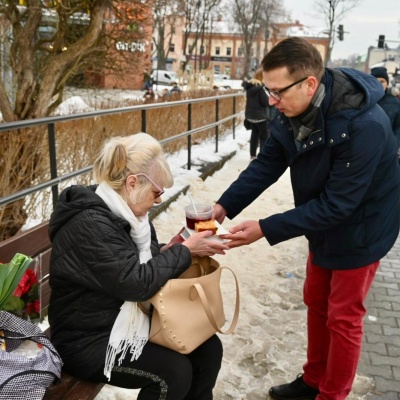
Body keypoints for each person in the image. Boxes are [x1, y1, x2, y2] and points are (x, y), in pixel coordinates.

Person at [213, 37, 400, 400]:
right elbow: (267, 163)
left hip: (362, 227)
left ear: (309, 84)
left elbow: (339, 205)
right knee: (316, 300)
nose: (271, 100)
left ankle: (331, 395)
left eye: (277, 91)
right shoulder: (289, 110)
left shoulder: (365, 125)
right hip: (323, 219)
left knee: (343, 317)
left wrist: (265, 228)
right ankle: (314, 379)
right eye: (267, 90)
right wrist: (223, 206)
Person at [48, 133, 229, 399]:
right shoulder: (90, 224)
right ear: (132, 183)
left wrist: (175, 248)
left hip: (126, 321)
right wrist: (183, 253)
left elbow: (140, 263)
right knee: (174, 373)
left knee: (209, 349)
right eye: (157, 192)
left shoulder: (132, 218)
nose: (158, 200)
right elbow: (135, 283)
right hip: (86, 339)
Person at [370, 66, 400, 159]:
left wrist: (394, 144)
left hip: (388, 150)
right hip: (367, 150)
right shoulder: (365, 100)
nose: (379, 84)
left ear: (387, 83)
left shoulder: (395, 101)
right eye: (375, 80)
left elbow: (398, 126)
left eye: (382, 81)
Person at [242, 70, 270, 160]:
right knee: (263, 137)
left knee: (254, 135)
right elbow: (265, 102)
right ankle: (262, 156)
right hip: (261, 117)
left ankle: (253, 155)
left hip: (251, 116)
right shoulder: (260, 88)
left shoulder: (250, 88)